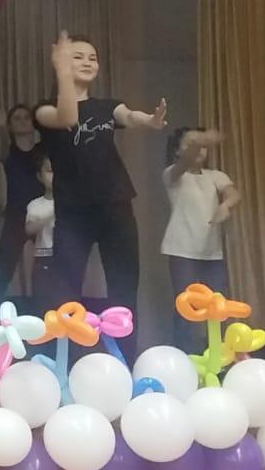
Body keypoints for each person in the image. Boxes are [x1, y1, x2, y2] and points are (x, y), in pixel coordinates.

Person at [36, 32, 167, 359]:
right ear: (61, 63)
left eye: (92, 58)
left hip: (115, 206)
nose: (88, 62)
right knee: (65, 293)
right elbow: (68, 117)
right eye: (78, 56)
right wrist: (63, 75)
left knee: (124, 289)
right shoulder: (44, 111)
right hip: (73, 213)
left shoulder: (107, 106)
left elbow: (129, 116)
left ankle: (125, 362)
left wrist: (149, 120)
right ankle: (62, 364)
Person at [162, 127, 240, 346]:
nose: (199, 149)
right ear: (177, 151)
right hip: (181, 250)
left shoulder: (215, 176)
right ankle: (183, 354)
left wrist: (225, 205)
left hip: (211, 252)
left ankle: (217, 352)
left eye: (203, 146)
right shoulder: (172, 174)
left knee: (217, 306)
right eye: (190, 144)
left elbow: (234, 193)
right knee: (186, 307)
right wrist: (201, 140)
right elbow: (186, 160)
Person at [0, 104, 43, 302]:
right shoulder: (8, 151)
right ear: (10, 126)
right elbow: (3, 145)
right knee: (4, 269)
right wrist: (1, 127)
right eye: (17, 118)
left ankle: (47, 309)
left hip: (42, 214)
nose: (22, 121)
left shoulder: (42, 150)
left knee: (48, 267)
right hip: (16, 216)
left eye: (26, 117)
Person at [25, 152, 57, 310]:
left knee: (65, 306)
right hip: (43, 259)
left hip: (66, 259)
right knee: (42, 306)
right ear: (40, 176)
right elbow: (29, 229)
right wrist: (54, 213)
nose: (54, 176)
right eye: (49, 171)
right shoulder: (35, 205)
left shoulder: (73, 203)